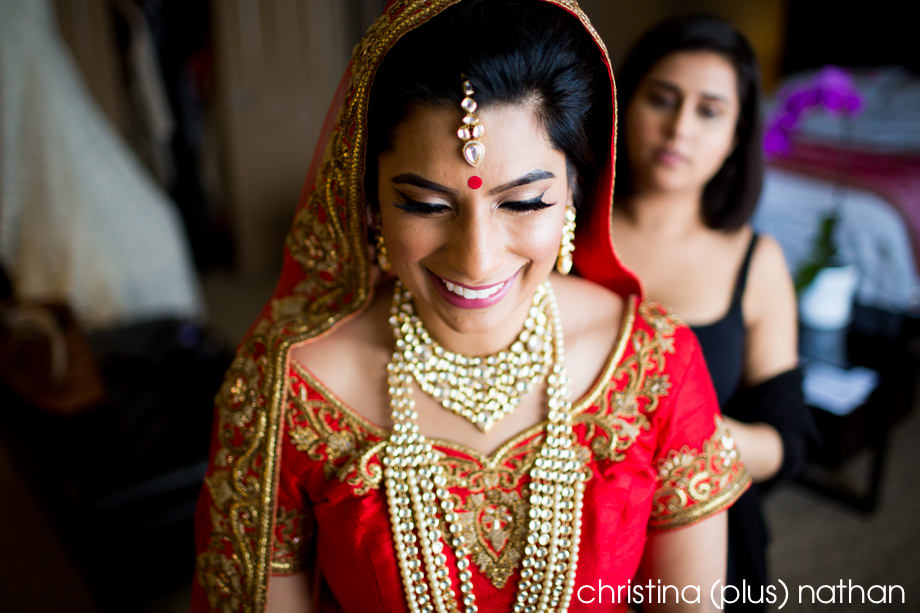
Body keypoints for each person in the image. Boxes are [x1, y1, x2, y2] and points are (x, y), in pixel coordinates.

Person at [192, 2, 750, 611]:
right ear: (371, 201)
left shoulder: (651, 360)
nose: (477, 260)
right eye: (427, 206)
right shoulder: (287, 388)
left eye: (524, 203)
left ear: (573, 196)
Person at [611, 14, 816, 612]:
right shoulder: (559, 228)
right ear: (626, 103)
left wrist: (683, 429)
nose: (679, 128)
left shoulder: (757, 261)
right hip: (569, 524)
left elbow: (787, 442)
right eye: (662, 99)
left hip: (709, 531)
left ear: (737, 133)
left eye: (709, 110)